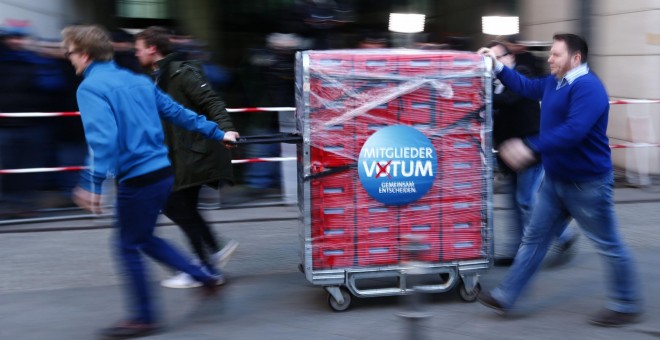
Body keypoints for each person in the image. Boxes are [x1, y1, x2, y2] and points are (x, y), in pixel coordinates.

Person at [61, 25, 239, 338]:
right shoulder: (136, 80)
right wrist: (217, 132)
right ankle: (204, 277)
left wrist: (91, 182)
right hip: (162, 172)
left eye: (71, 53)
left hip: (138, 178)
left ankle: (144, 317)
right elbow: (177, 112)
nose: (69, 58)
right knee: (143, 238)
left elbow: (103, 141)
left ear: (85, 55)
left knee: (128, 245)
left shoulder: (90, 88)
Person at [476, 33, 642, 327]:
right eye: (551, 54)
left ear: (575, 58)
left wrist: (530, 146)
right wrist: (497, 65)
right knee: (534, 240)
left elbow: (573, 131)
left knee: (608, 243)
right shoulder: (555, 82)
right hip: (556, 181)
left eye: (556, 54)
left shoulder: (588, 88)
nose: (550, 59)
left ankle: (626, 303)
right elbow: (525, 86)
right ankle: (506, 295)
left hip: (587, 184)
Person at [134, 26, 240, 289]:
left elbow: (211, 101)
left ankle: (204, 268)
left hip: (194, 154)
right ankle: (211, 255)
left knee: (175, 206)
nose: (135, 54)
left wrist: (227, 129)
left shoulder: (182, 72)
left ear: (152, 48)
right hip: (182, 154)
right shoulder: (159, 75)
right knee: (185, 208)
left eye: (138, 49)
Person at [487, 41, 578, 266]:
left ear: (510, 59)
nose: (493, 63)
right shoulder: (492, 82)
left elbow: (509, 99)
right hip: (509, 154)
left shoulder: (521, 74)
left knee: (526, 200)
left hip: (530, 148)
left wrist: (480, 93)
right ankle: (517, 250)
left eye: (497, 58)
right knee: (515, 204)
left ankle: (564, 237)